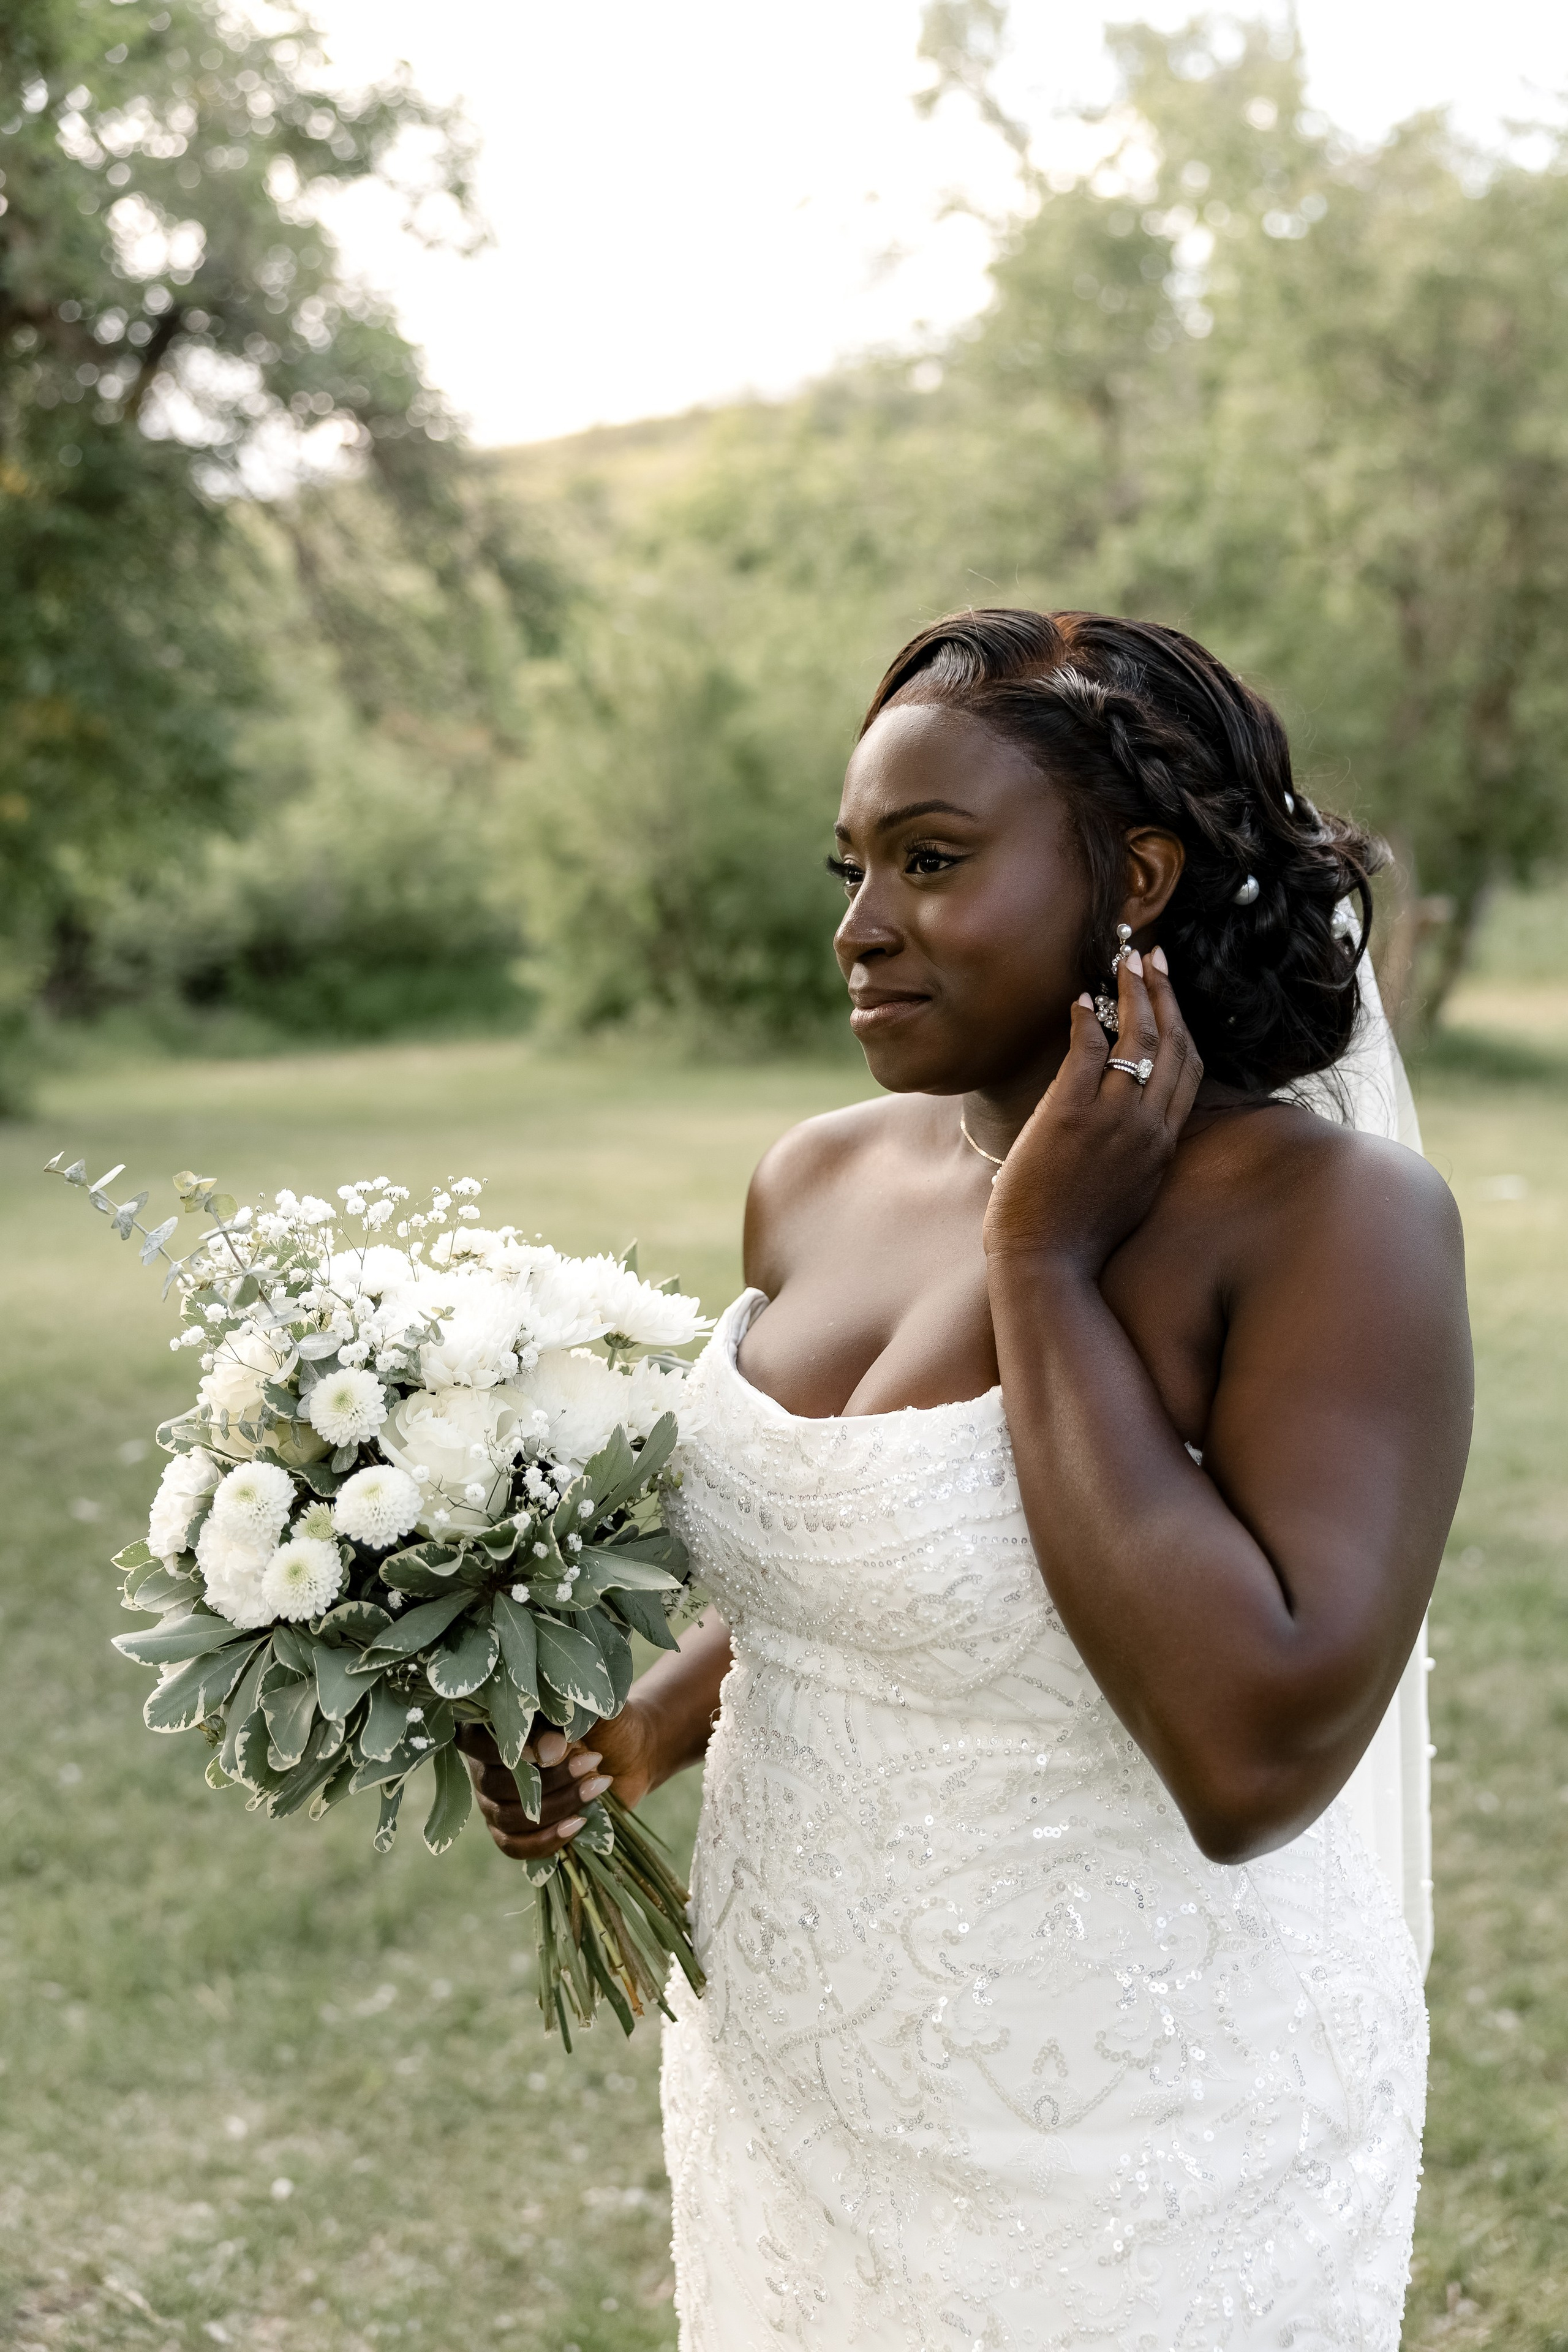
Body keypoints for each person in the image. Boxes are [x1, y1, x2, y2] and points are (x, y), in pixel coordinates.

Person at [463, 609, 1472, 2350]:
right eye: (851, 867)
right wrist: (644, 1729)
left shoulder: (1327, 1223)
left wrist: (1048, 1269)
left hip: (1136, 2133)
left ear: (1136, 877)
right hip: (799, 2069)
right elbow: (867, 1565)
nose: (859, 930)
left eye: (932, 863)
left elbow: (1251, 1759)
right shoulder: (814, 1179)